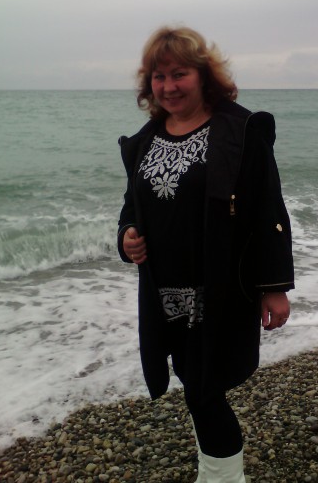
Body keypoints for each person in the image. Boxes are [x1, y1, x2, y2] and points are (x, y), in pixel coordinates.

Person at [117, 26, 294, 482]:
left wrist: (274, 287)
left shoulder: (240, 130)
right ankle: (213, 469)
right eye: (159, 77)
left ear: (203, 75)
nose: (168, 86)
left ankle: (224, 477)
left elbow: (268, 209)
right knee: (192, 382)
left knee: (203, 390)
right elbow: (133, 206)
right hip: (163, 293)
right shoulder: (146, 140)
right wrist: (126, 236)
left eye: (179, 74)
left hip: (219, 288)